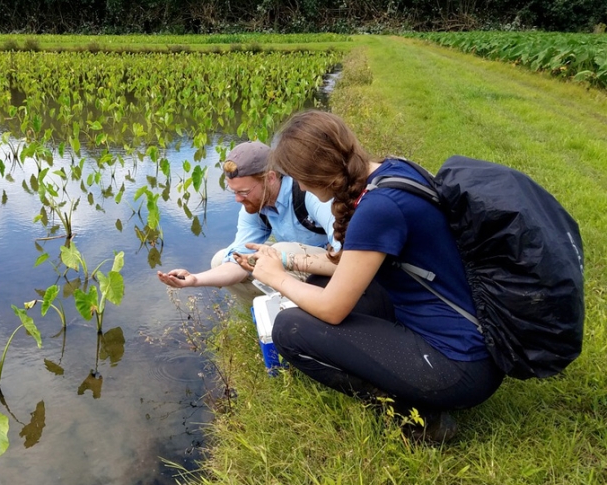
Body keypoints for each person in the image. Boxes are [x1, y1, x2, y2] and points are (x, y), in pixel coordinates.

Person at [235, 110, 505, 443]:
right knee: (320, 289)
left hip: (459, 366)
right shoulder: (391, 170)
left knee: (290, 330)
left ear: (318, 173)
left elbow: (333, 309)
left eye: (299, 177)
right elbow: (346, 267)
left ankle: (420, 418)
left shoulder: (378, 210)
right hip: (468, 334)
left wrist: (277, 276)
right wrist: (292, 261)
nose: (300, 186)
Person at [156, 141, 336, 303]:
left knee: (277, 251)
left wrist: (282, 258)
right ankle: (272, 314)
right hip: (300, 268)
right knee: (221, 260)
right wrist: (195, 280)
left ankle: (312, 307)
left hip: (336, 272)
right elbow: (239, 261)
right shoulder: (256, 205)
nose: (237, 200)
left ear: (270, 178)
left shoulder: (309, 194)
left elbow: (349, 258)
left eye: (243, 192)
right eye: (233, 192)